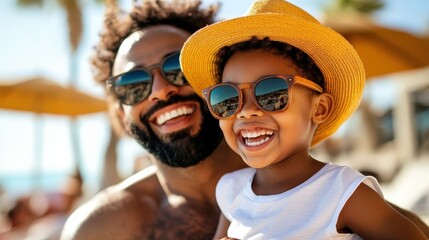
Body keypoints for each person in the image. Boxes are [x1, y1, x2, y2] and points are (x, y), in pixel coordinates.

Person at [61, 0, 429, 239]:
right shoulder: (99, 229)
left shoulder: (328, 190)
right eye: (132, 84)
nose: (158, 90)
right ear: (118, 112)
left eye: (176, 68)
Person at [179, 0, 429, 239]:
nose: (245, 111)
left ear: (319, 108)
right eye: (228, 98)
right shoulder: (230, 190)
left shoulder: (342, 192)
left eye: (270, 93)